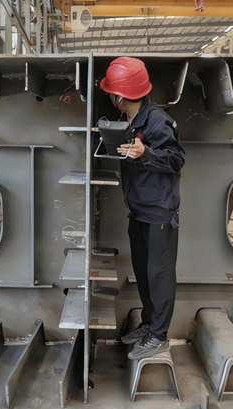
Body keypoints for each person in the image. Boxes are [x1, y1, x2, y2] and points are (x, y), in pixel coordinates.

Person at [99, 57, 186, 360]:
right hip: (139, 210)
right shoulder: (132, 121)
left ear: (120, 96)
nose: (110, 97)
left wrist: (146, 153)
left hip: (159, 212)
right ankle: (149, 324)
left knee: (159, 275)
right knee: (144, 273)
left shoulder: (158, 121)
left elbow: (177, 159)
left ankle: (159, 336)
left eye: (111, 93)